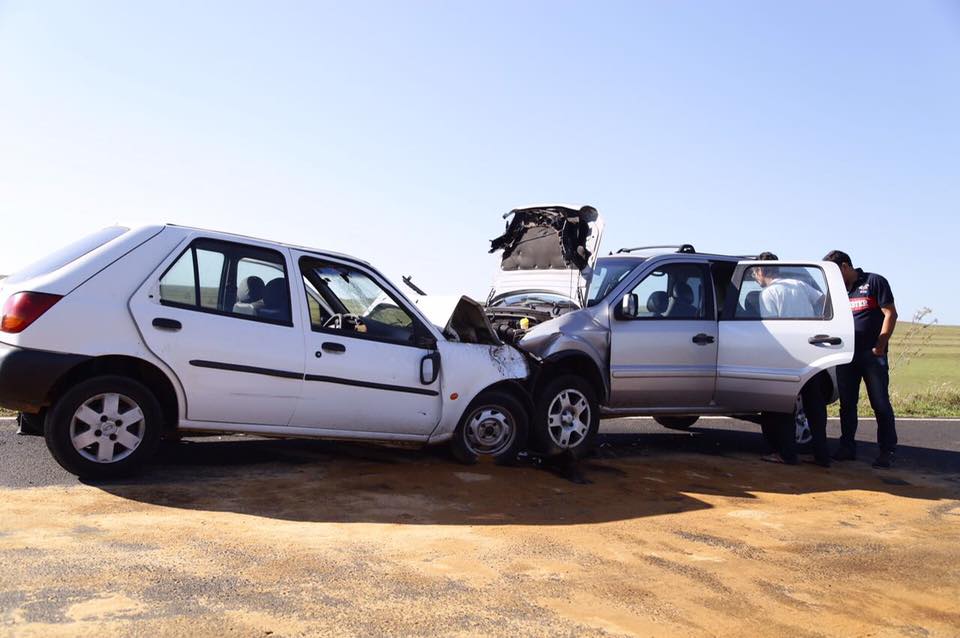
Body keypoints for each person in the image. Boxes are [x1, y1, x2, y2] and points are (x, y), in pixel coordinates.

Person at [752, 252, 830, 466]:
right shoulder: (799, 285)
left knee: (782, 405)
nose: (755, 277)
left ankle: (786, 453)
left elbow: (771, 329)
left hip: (786, 353)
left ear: (761, 271)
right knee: (814, 404)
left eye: (755, 273)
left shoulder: (768, 294)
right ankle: (822, 455)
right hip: (810, 351)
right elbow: (824, 301)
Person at [824, 250, 898, 468]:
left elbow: (890, 314)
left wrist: (881, 345)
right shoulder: (837, 292)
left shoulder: (874, 282)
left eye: (836, 272)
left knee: (880, 403)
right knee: (847, 404)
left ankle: (887, 450)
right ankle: (847, 447)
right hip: (846, 355)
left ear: (845, 267)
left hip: (872, 355)